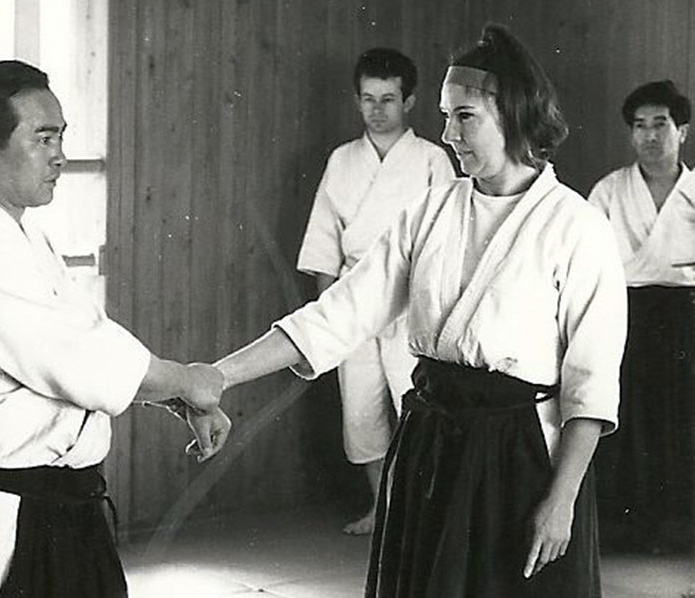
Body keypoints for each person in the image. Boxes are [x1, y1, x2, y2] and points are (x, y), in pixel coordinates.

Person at [212, 24, 626, 596]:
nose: (447, 133)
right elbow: (341, 312)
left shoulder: (577, 226)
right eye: (444, 115)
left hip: (520, 456)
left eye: (465, 117)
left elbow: (592, 383)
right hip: (430, 444)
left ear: (514, 112)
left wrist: (563, 499)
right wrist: (218, 375)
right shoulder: (429, 210)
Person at [0, 60, 230, 598]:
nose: (59, 155)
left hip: (58, 500)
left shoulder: (15, 234)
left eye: (60, 135)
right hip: (6, 514)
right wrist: (189, 382)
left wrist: (172, 396)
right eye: (42, 138)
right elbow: (82, 362)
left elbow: (90, 336)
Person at [297, 47, 455, 535]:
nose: (377, 109)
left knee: (419, 407)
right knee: (361, 413)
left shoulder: (433, 159)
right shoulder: (342, 161)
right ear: (357, 101)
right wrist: (331, 316)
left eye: (388, 99)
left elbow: (449, 238)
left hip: (414, 299)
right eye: (368, 99)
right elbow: (324, 238)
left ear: (409, 101)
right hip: (354, 296)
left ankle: (425, 513)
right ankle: (382, 508)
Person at [589, 80, 695, 551]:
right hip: (625, 312)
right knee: (627, 416)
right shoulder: (609, 191)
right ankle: (627, 527)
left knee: (682, 418)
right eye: (639, 126)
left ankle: (680, 527)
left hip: (687, 319)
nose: (650, 135)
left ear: (683, 131)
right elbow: (589, 261)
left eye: (661, 124)